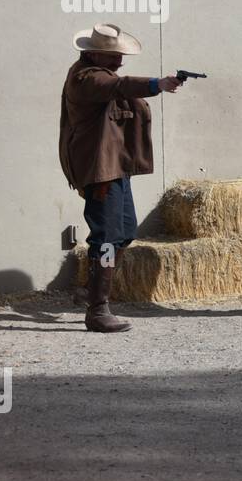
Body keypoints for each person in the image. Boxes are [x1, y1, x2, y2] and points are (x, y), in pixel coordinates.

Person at [58, 23, 187, 333]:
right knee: (105, 236)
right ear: (93, 54)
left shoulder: (98, 73)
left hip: (112, 167)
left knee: (124, 230)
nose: (120, 60)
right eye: (113, 55)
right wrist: (158, 84)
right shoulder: (85, 78)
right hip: (100, 170)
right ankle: (98, 310)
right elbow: (117, 87)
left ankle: (92, 291)